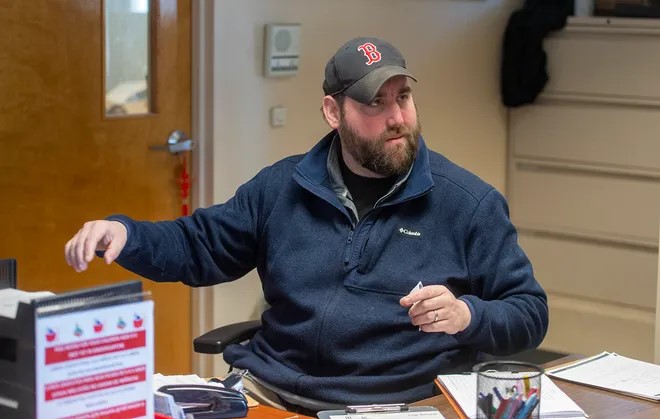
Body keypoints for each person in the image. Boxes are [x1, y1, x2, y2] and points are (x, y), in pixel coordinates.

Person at [65, 37, 548, 411]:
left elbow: (528, 312)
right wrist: (127, 234)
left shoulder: (468, 203)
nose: (397, 117)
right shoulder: (282, 186)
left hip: (395, 403)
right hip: (269, 392)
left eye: (403, 98)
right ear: (333, 112)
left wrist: (467, 315)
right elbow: (200, 245)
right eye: (375, 104)